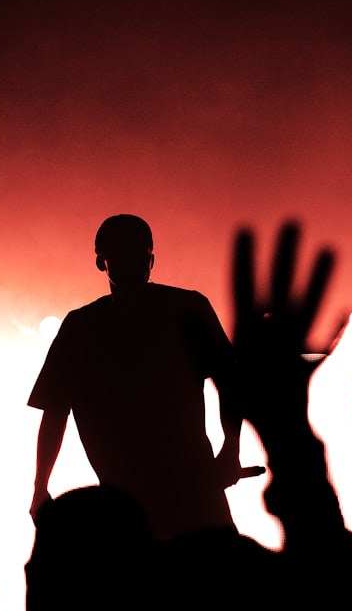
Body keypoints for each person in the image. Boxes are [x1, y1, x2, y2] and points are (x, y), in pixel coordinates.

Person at [27, 214, 245, 540]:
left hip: (168, 492)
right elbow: (55, 410)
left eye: (138, 254)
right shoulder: (182, 309)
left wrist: (230, 451)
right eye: (123, 254)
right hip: (167, 493)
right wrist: (229, 451)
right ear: (103, 262)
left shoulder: (84, 326)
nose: (133, 263)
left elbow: (56, 409)